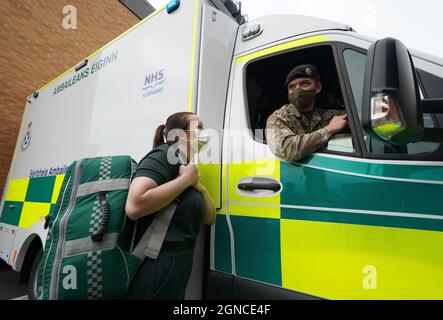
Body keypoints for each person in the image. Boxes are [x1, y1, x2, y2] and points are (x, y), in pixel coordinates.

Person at [125, 111, 216, 300]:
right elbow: (134, 206)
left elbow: (209, 218)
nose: (205, 132)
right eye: (198, 126)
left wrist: (198, 186)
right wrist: (186, 180)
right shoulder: (164, 155)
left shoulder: (185, 164)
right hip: (158, 260)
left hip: (179, 260)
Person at [265, 64, 348, 162]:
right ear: (288, 93)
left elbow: (356, 118)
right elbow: (287, 150)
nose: (298, 90)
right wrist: (329, 129)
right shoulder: (277, 118)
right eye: (292, 87)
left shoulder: (325, 115)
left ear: (317, 87)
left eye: (304, 84)